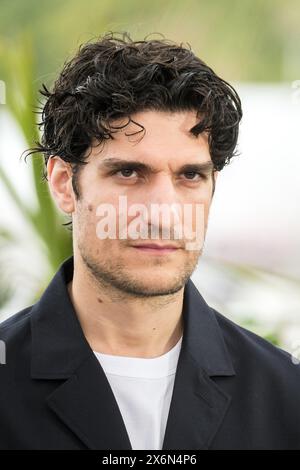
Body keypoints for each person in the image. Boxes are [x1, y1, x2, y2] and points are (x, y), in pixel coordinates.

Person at [0, 32, 299, 450]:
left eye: (190, 175)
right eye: (128, 173)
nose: (163, 211)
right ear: (64, 183)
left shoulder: (286, 394)